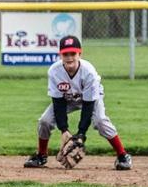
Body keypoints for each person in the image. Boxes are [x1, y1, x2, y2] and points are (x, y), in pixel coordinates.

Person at [24, 35, 132, 171]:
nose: (69, 57)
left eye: (73, 53)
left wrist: (81, 134)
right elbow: (58, 103)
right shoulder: (54, 71)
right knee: (45, 121)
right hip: (67, 99)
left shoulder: (89, 73)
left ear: (79, 54)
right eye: (65, 54)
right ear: (60, 55)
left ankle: (123, 155)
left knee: (100, 121)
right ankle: (41, 156)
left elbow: (88, 106)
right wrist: (64, 130)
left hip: (90, 99)